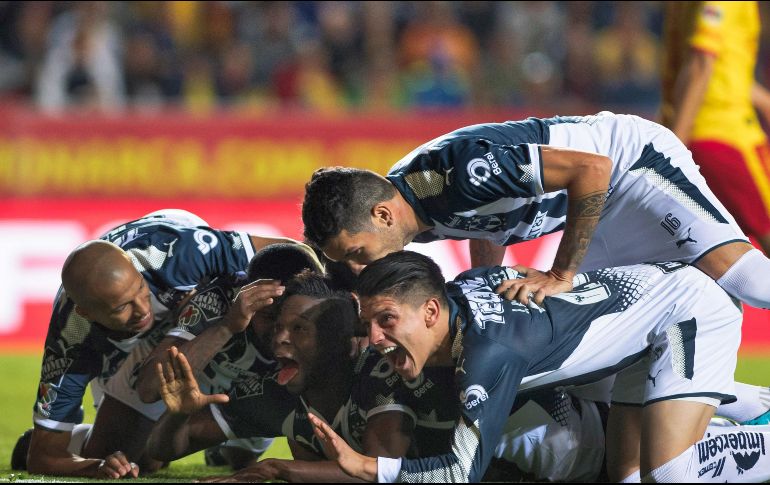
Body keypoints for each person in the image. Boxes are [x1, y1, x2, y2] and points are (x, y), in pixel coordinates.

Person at [308, 251, 770, 483]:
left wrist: (366, 466)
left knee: (669, 475)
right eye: (368, 324)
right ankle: (748, 402)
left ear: (431, 312)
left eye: (386, 321)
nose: (374, 338)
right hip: (644, 323)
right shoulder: (461, 292)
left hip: (684, 313)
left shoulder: (487, 357)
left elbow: (458, 474)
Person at [301, 111, 770, 310]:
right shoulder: (409, 214)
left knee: (745, 281)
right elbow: (479, 220)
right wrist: (485, 279)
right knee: (607, 362)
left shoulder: (461, 172)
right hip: (597, 212)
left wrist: (561, 275)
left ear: (382, 216)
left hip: (630, 166)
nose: (361, 268)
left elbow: (591, 169)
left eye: (357, 252)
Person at [25, 209, 294, 478]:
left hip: (198, 300)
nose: (142, 310)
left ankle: (223, 426)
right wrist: (95, 466)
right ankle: (95, 436)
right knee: (138, 461)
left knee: (239, 458)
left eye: (140, 290)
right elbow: (44, 456)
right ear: (87, 313)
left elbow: (291, 253)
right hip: (140, 341)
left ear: (135, 268)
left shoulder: (177, 253)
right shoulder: (69, 344)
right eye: (122, 307)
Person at [147, 272, 457, 482]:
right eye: (279, 327)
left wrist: (276, 468)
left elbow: (377, 472)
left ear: (338, 340)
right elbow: (163, 449)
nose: (279, 339)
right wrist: (179, 416)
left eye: (299, 329)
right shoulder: (275, 391)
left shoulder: (380, 373)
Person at [134, 242, 323, 470]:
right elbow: (149, 389)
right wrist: (227, 327)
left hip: (262, 390)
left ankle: (221, 452)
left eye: (295, 323)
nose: (280, 334)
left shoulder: (328, 312)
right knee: (145, 459)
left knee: (242, 460)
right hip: (203, 377)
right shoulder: (219, 299)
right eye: (269, 316)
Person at [661, 1, 770, 256]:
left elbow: (724, 70)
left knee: (717, 253)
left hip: (698, 134)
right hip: (724, 138)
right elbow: (701, 64)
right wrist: (673, 147)